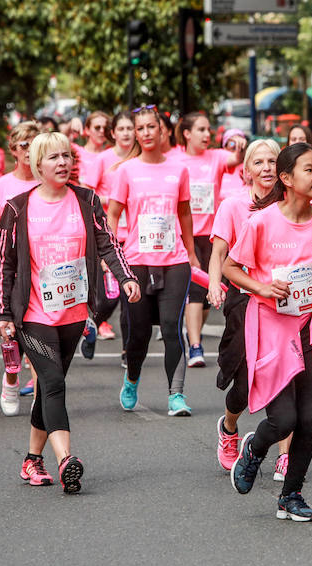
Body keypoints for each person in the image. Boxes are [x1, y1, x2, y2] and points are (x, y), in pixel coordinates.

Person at [0, 132, 140, 493]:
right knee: (54, 382)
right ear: (37, 164)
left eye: (66, 156)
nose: (62, 163)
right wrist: (1, 312)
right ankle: (66, 460)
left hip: (73, 314)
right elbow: (3, 263)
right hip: (32, 315)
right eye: (53, 157)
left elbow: (108, 243)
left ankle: (32, 459)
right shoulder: (17, 207)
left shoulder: (87, 201)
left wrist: (126, 277)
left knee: (48, 387)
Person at [224, 143, 312, 521]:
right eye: (308, 170)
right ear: (286, 178)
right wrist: (262, 288)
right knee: (284, 420)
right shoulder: (262, 223)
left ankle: (291, 496)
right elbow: (232, 268)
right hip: (270, 328)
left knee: (309, 420)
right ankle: (255, 448)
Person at [208, 139, 294, 478]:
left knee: (287, 374)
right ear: (246, 171)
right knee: (244, 383)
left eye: (272, 161)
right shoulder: (233, 206)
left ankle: (285, 455)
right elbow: (219, 253)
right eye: (258, 162)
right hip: (244, 299)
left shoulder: (290, 204)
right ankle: (229, 428)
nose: (266, 168)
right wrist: (214, 284)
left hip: (283, 298)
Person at [109, 106, 200, 416]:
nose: (146, 132)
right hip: (136, 261)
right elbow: (113, 214)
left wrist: (191, 252)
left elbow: (185, 212)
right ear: (136, 134)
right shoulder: (126, 171)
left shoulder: (179, 170)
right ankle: (132, 379)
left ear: (162, 131)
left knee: (173, 327)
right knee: (140, 334)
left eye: (152, 127)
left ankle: (176, 396)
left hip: (174, 261)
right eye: (141, 128)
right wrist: (113, 255)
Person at [0, 121, 41, 416]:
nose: (29, 150)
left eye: (34, 145)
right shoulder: (1, 186)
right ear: (13, 149)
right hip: (8, 270)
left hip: (40, 268)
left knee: (39, 335)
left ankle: (41, 397)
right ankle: (11, 379)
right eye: (24, 145)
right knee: (10, 335)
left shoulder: (47, 183)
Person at [177, 112, 245, 367]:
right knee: (195, 291)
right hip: (186, 235)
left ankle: (192, 331)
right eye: (201, 130)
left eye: (209, 130)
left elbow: (235, 159)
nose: (207, 134)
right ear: (187, 133)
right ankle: (195, 346)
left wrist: (240, 148)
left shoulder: (216, 157)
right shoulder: (175, 160)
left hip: (213, 236)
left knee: (207, 293)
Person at [82, 111, 140, 349]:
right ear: (113, 133)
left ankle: (128, 352)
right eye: (121, 129)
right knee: (109, 298)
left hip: (136, 237)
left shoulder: (141, 159)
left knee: (130, 299)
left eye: (130, 128)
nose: (126, 133)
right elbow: (86, 193)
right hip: (108, 235)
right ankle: (92, 325)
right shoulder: (103, 159)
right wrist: (111, 200)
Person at [74, 111, 111, 188]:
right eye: (97, 127)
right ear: (87, 130)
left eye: (105, 128)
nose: (102, 131)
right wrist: (73, 121)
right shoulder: (76, 150)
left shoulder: (110, 154)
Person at [220, 129, 248, 199]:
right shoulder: (218, 165)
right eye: (232, 143)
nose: (237, 145)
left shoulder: (249, 166)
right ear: (224, 147)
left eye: (240, 142)